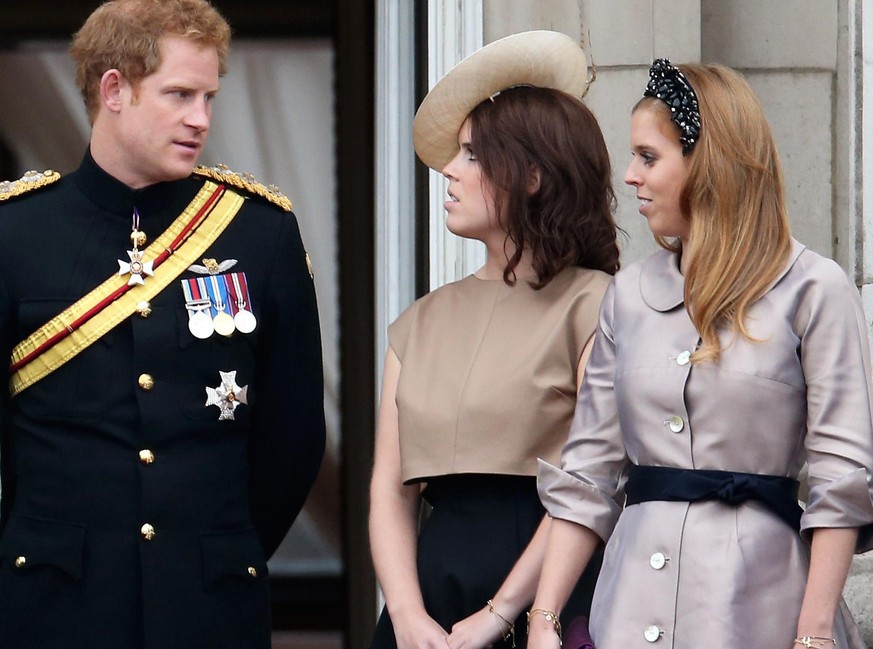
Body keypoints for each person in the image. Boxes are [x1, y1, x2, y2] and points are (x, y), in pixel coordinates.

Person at [0, 1, 326, 647]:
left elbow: (292, 437)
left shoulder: (260, 232)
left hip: (208, 601)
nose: (200, 119)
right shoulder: (16, 232)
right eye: (179, 95)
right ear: (114, 88)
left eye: (209, 96)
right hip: (52, 602)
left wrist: (215, 551)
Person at [528, 59, 873, 649]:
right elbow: (588, 475)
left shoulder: (815, 289)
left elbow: (842, 478)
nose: (630, 176)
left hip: (761, 608)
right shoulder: (628, 296)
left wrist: (814, 636)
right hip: (628, 611)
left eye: (649, 156)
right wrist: (543, 621)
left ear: (708, 162)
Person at [368, 31, 620, 649]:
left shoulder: (598, 303)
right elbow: (390, 487)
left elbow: (594, 480)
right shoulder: (419, 321)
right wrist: (404, 613)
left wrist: (504, 613)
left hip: (554, 598)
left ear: (533, 175)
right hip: (430, 603)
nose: (449, 172)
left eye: (474, 156)